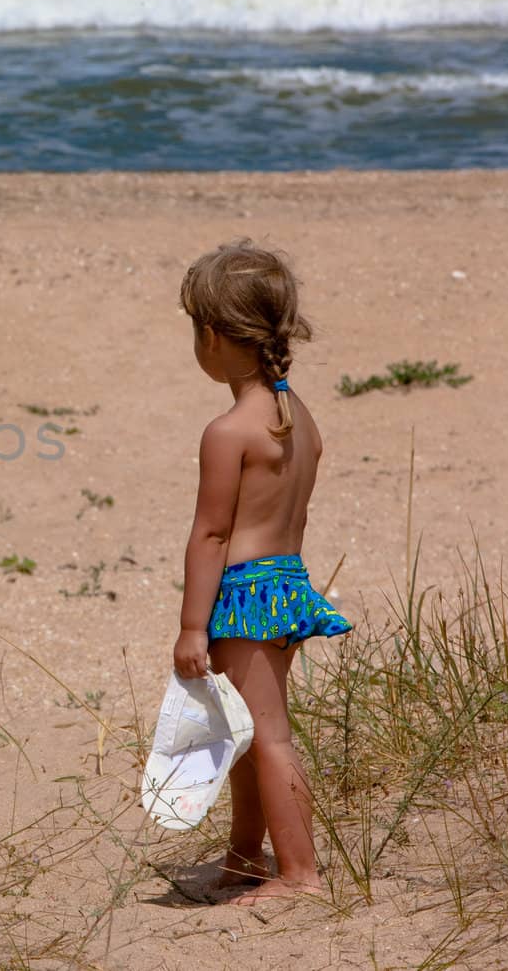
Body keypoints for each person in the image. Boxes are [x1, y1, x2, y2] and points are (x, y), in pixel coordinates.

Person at [172, 240, 352, 905]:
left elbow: (212, 532)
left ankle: (299, 872)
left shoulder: (230, 430)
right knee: (245, 731)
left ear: (213, 336)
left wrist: (194, 625)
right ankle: (246, 855)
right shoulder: (297, 418)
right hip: (285, 584)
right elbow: (294, 519)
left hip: (244, 593)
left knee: (266, 736)